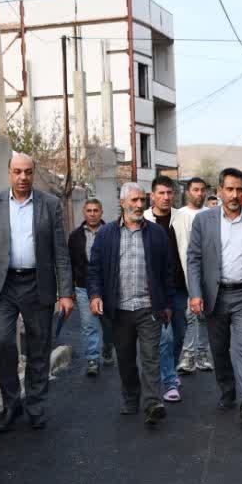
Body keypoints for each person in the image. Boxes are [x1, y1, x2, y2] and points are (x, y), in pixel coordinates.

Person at [0, 152, 74, 433]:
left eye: (28, 172)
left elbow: (60, 253)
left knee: (39, 347)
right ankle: (11, 402)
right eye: (17, 172)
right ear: (9, 173)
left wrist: (66, 293)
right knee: (0, 342)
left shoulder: (50, 205)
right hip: (3, 285)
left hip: (38, 284)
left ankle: (35, 405)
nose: (23, 177)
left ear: (33, 173)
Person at [187, 167, 242, 424]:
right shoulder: (203, 221)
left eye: (239, 190)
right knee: (219, 349)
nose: (235, 195)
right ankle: (227, 390)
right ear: (219, 191)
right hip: (215, 296)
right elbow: (194, 259)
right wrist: (195, 294)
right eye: (230, 189)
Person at [88, 183, 176, 426]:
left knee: (151, 358)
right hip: (119, 310)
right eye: (134, 200)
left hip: (149, 308)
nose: (139, 205)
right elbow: (94, 269)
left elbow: (168, 271)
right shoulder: (106, 234)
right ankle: (130, 397)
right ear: (122, 202)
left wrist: (168, 303)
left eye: (141, 200)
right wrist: (95, 295)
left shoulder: (156, 233)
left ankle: (152, 403)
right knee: (126, 359)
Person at [144, 175, 190, 403]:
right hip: (154, 290)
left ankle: (169, 368)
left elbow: (193, 252)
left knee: (179, 334)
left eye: (169, 193)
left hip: (179, 287)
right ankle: (170, 380)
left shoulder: (183, 218)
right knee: (165, 336)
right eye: (161, 193)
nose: (165, 197)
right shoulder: (144, 219)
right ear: (152, 195)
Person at [68, 198, 115, 376]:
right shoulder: (75, 236)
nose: (92, 214)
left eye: (96, 210)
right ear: (84, 213)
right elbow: (70, 264)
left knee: (109, 325)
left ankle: (108, 348)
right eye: (89, 211)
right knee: (89, 325)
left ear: (101, 212)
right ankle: (93, 359)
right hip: (83, 287)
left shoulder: (112, 232)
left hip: (107, 287)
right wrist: (69, 289)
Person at [177, 178, 214, 375]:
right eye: (195, 190)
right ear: (187, 192)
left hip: (207, 275)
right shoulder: (179, 215)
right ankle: (188, 355)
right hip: (184, 274)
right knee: (190, 316)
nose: (199, 193)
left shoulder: (212, 215)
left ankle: (202, 355)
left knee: (204, 316)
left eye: (202, 190)